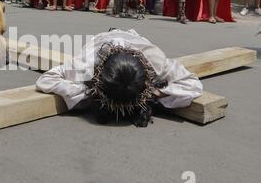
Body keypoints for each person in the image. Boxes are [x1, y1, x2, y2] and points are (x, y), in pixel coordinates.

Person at [36, 29, 203, 127]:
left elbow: (193, 84)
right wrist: (87, 90)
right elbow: (46, 79)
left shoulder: (155, 60)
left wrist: (156, 92)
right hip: (102, 39)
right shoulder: (86, 64)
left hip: (132, 37)